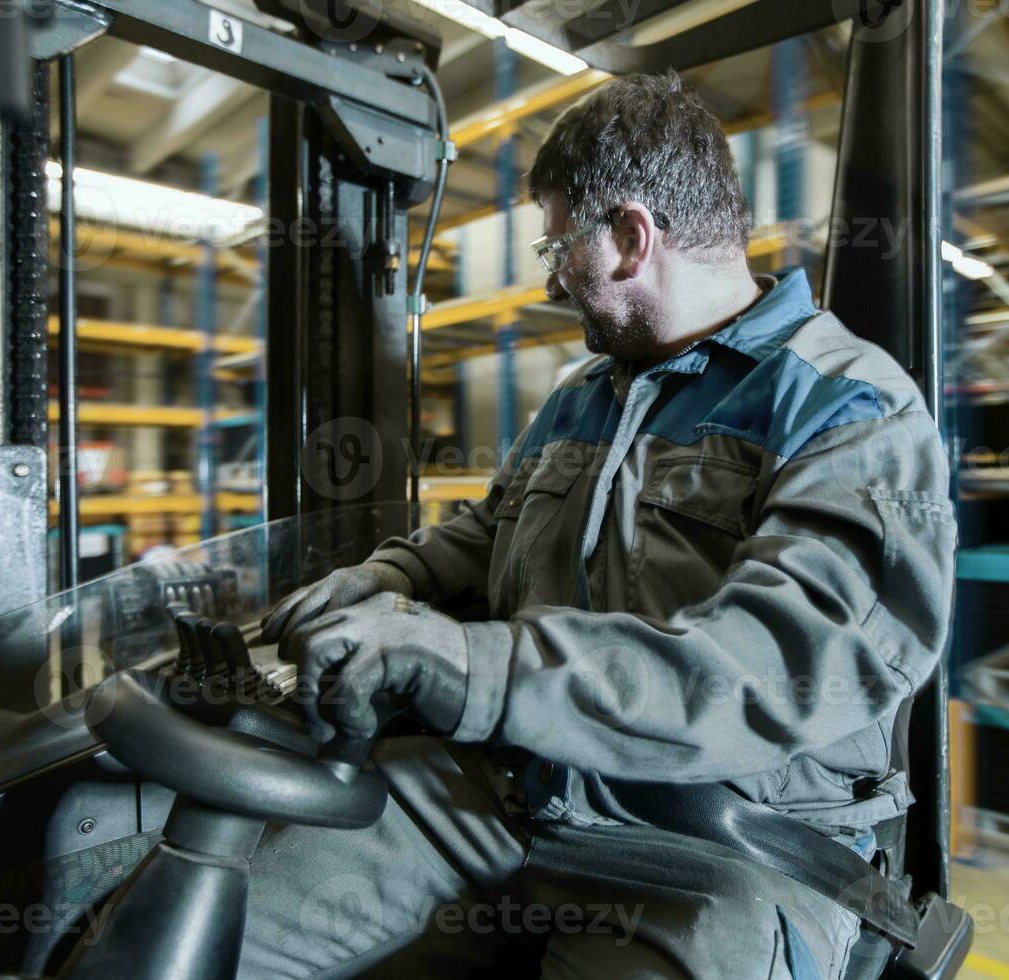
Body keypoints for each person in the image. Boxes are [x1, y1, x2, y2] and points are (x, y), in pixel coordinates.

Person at [241, 70, 956, 979]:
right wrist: (395, 578)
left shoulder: (850, 408)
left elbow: (773, 670)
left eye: (555, 251)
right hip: (515, 788)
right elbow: (492, 526)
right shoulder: (586, 396)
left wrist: (469, 664)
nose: (549, 284)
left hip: (722, 846)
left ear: (629, 237)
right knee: (207, 928)